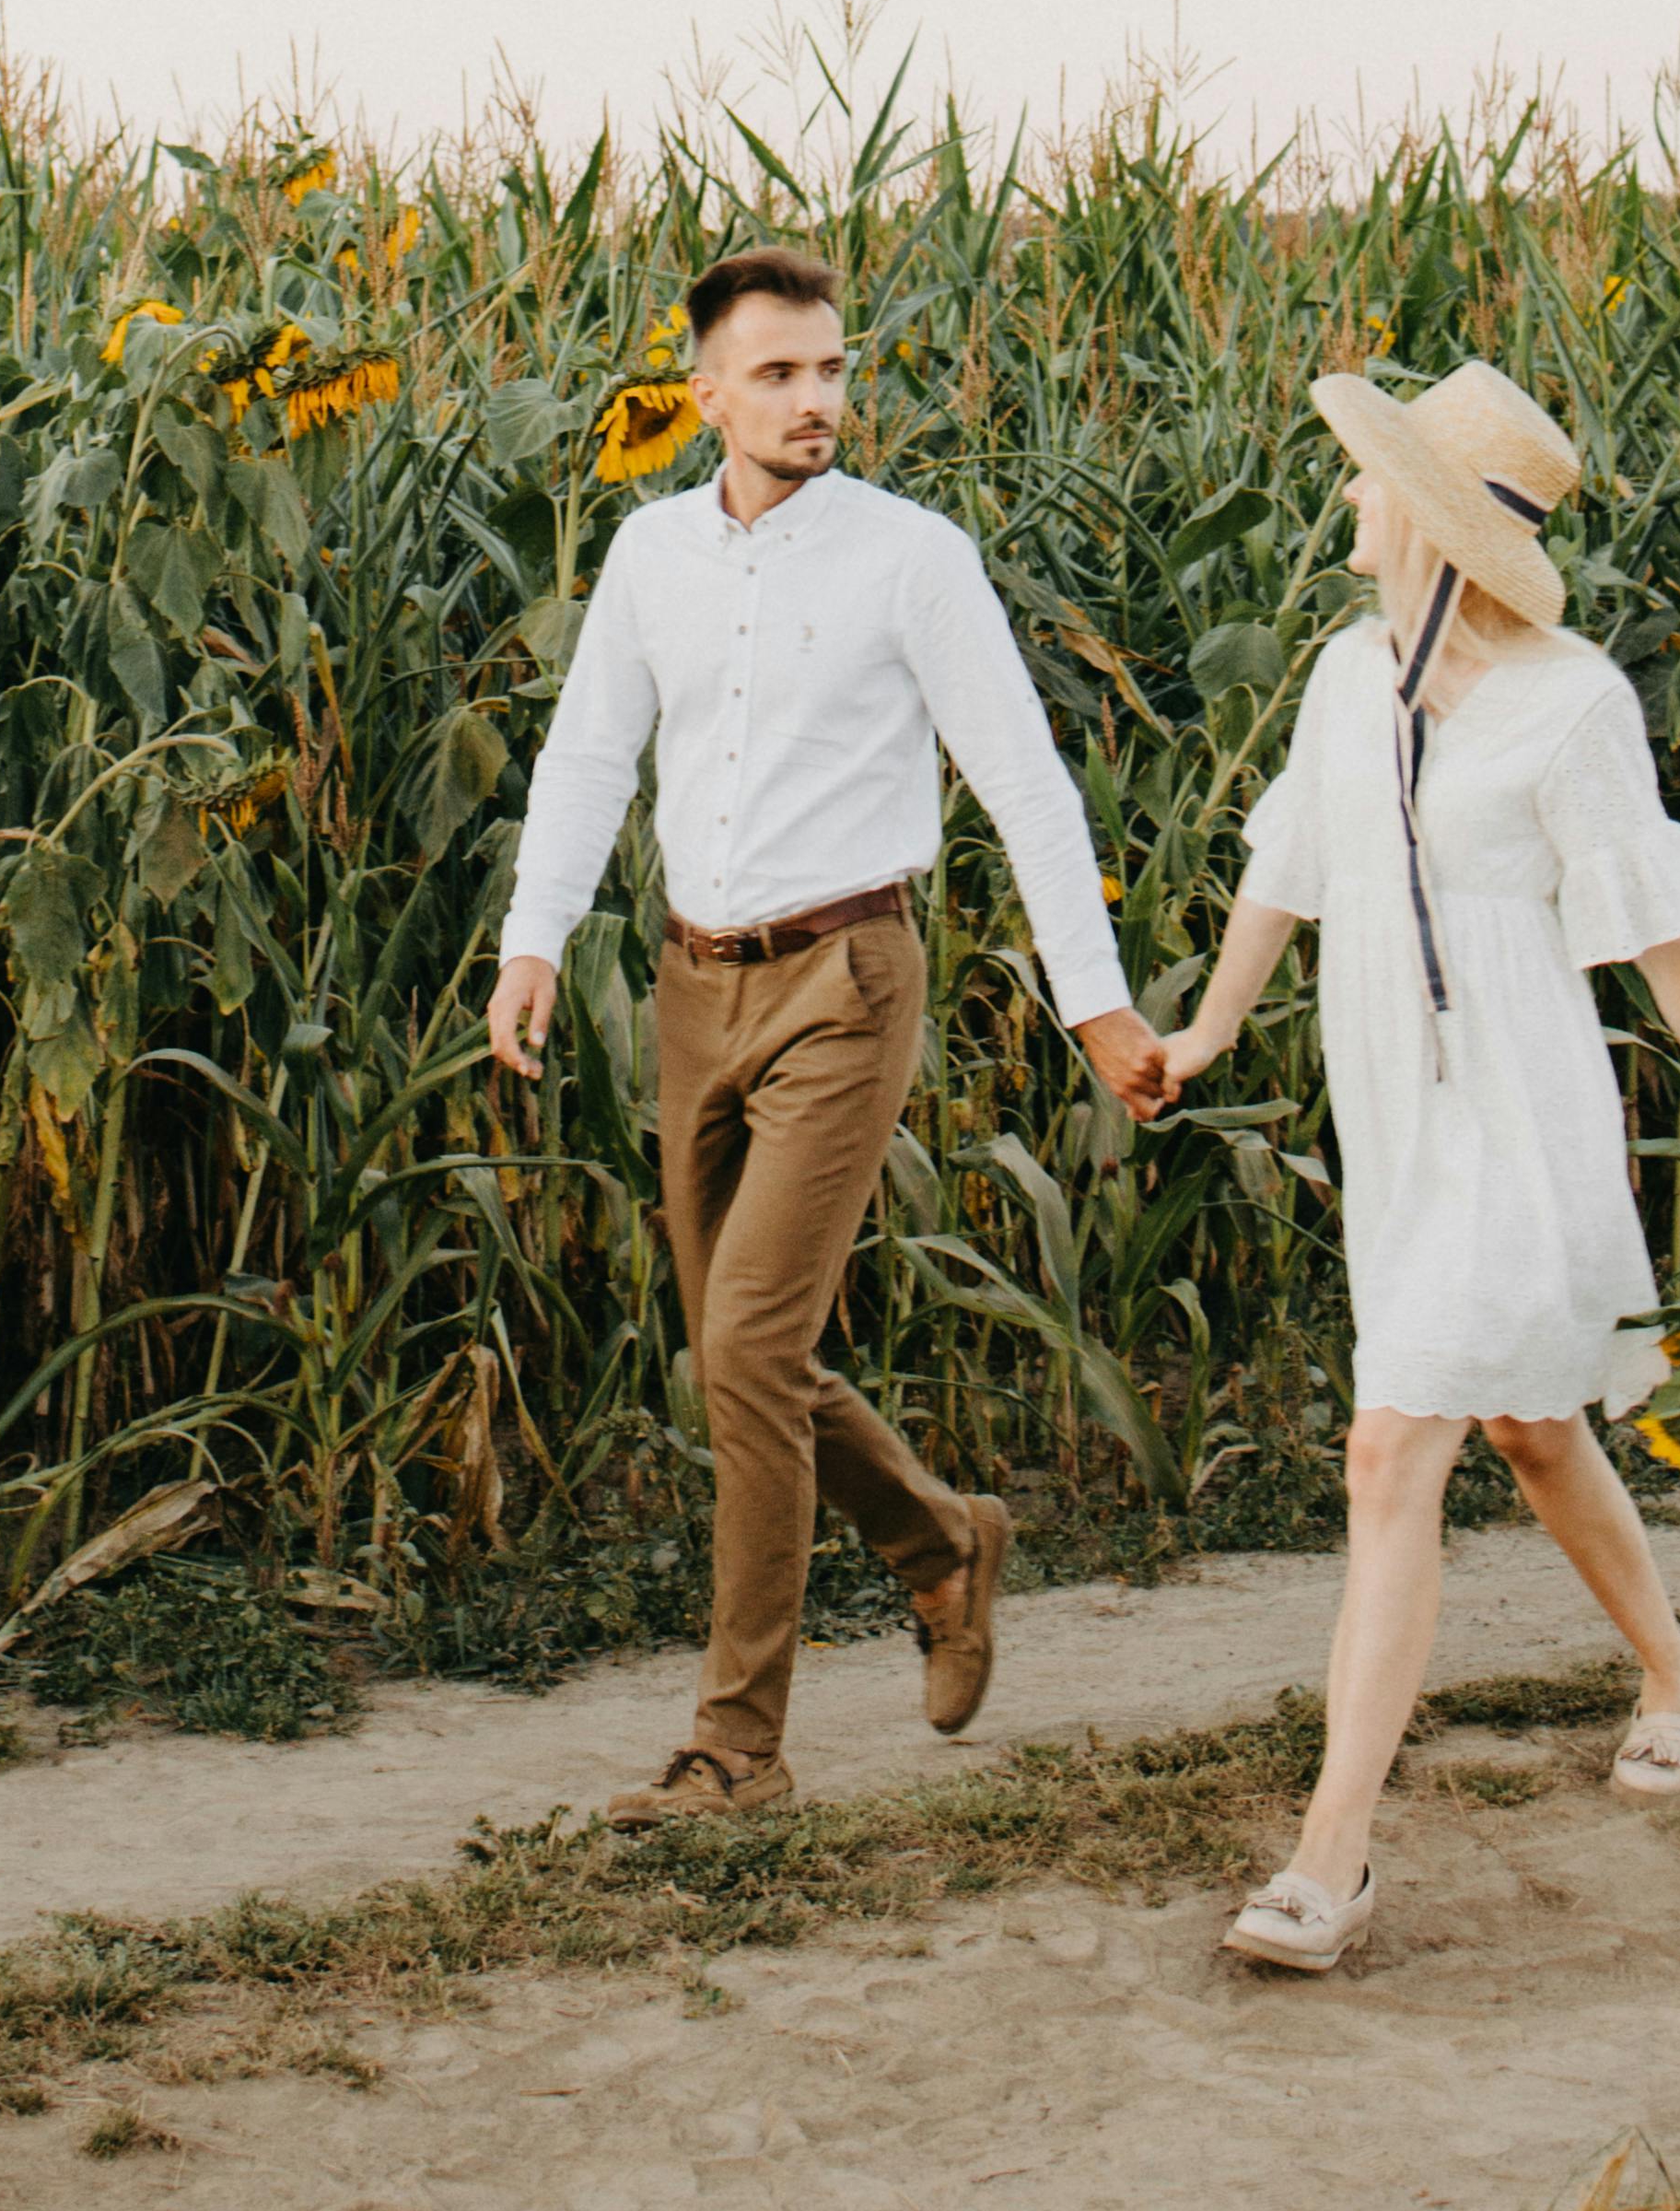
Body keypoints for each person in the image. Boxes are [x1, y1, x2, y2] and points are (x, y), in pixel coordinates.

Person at [487, 243, 1171, 1825]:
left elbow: (1024, 782)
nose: (817, 402)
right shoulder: (649, 555)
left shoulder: (909, 557)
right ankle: (942, 1543)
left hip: (843, 983)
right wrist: (535, 943)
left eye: (833, 370)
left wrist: (1097, 1003)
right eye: (780, 374)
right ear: (705, 392)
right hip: (688, 986)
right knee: (740, 1353)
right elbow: (590, 757)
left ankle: (740, 1746)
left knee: (744, 1347)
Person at [1154, 355, 1680, 1973]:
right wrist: (1211, 1037)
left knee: (1394, 1453)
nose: (1349, 504)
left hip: (1516, 1102)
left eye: (1374, 485)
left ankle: (1332, 1855)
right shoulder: (1335, 679)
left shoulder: (1572, 700)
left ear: (1442, 528)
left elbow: (1656, 933)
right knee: (1528, 1425)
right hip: (1394, 1106)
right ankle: (1676, 1673)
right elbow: (1285, 873)